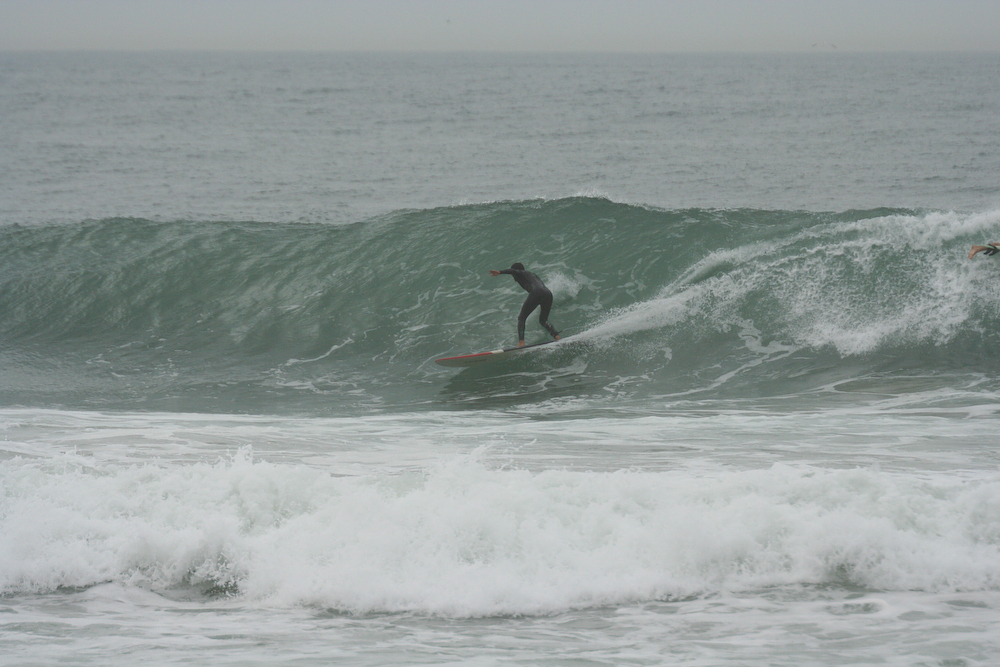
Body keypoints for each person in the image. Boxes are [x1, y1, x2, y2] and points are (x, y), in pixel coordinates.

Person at [488, 262, 561, 347]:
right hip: (548, 293)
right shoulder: (532, 275)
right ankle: (557, 336)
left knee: (521, 318)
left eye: (513, 274)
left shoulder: (522, 273)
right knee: (543, 320)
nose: (513, 276)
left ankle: (521, 342)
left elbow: (514, 271)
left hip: (536, 293)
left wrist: (500, 272)